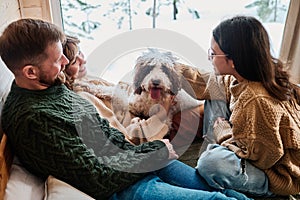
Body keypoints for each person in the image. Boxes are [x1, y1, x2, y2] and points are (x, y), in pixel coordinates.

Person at [0, 18, 252, 200]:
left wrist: (146, 152)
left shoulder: (48, 85)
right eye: (58, 60)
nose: (66, 62)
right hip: (121, 187)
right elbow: (96, 177)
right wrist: (155, 151)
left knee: (221, 190)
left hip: (133, 158)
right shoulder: (33, 120)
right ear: (30, 72)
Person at [175, 15, 300, 197]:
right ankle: (219, 148)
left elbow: (260, 159)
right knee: (214, 93)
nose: (209, 58)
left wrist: (223, 132)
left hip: (276, 173)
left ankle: (261, 193)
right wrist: (170, 69)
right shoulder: (248, 74)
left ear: (232, 60)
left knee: (210, 163)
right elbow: (210, 82)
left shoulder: (256, 101)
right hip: (252, 142)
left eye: (213, 53)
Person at [62, 35, 204, 147]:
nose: (83, 60)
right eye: (75, 61)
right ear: (62, 67)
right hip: (158, 127)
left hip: (150, 112)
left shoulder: (87, 80)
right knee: (209, 109)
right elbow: (128, 138)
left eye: (80, 52)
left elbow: (122, 95)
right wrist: (163, 112)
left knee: (211, 101)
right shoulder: (83, 98)